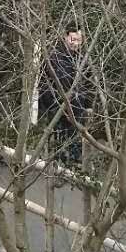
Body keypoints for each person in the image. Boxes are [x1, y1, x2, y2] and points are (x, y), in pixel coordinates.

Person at [38, 26, 87, 165]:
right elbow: (54, 82)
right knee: (58, 138)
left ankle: (72, 164)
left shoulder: (81, 59)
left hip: (75, 107)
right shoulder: (55, 57)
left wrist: (84, 103)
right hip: (56, 104)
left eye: (78, 40)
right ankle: (58, 162)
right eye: (72, 39)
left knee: (73, 139)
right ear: (66, 38)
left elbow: (86, 85)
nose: (75, 43)